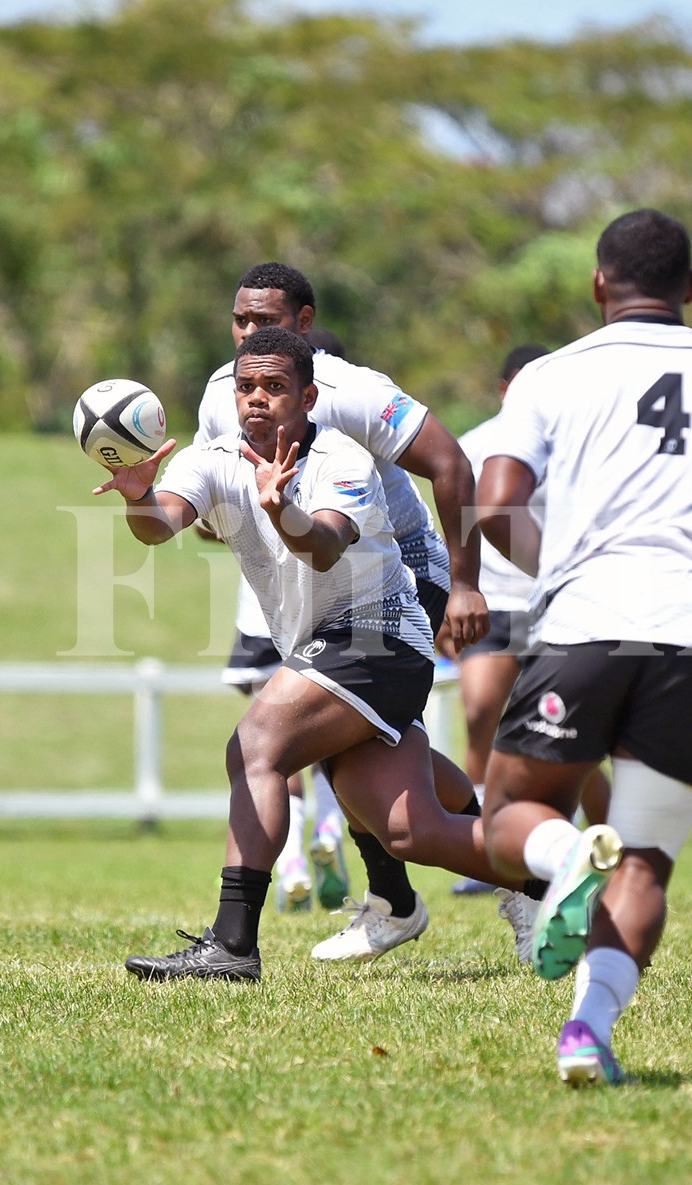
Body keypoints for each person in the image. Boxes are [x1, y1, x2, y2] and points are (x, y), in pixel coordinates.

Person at [478, 209, 692, 1086]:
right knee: (647, 859)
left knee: (510, 818)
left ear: (597, 283)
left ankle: (568, 857)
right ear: (691, 287)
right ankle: (588, 1032)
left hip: (588, 620)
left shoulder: (551, 374)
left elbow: (496, 501)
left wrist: (558, 572)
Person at [108, 328, 521, 982]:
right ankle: (551, 873)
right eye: (246, 386)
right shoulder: (209, 459)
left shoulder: (341, 458)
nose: (256, 398)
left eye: (274, 386)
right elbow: (159, 525)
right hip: (326, 645)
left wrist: (281, 509)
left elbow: (323, 546)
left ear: (308, 397)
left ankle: (233, 944)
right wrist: (137, 492)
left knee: (256, 744)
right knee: (406, 827)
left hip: (381, 637)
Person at [192, 263, 494, 964]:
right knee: (372, 761)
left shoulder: (352, 391)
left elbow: (450, 464)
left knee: (285, 736)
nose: (249, 332)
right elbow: (223, 500)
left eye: (266, 320)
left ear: (304, 322)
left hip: (400, 578)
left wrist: (467, 585)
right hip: (315, 590)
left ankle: (242, 940)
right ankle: (466, 885)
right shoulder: (223, 394)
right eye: (240, 320)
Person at [449, 346, 613, 898]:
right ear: (504, 391)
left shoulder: (580, 446)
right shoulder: (475, 447)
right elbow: (457, 527)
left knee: (564, 731)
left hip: (557, 606)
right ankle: (483, 844)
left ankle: (615, 847)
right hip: (494, 606)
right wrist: (455, 594)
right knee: (480, 713)